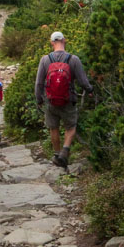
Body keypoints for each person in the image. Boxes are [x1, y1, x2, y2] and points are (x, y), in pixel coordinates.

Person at [34, 30, 93, 168]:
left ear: (51, 43)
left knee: (53, 127)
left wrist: (39, 99)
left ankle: (57, 154)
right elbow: (83, 81)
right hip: (69, 100)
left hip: (50, 101)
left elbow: (39, 83)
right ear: (64, 40)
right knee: (70, 126)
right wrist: (90, 90)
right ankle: (65, 152)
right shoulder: (73, 59)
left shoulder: (45, 60)